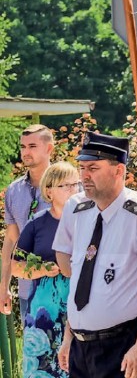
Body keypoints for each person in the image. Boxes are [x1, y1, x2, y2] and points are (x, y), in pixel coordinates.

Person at [53, 132, 137, 378]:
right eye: (82, 167)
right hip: (80, 348)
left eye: (93, 168)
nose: (84, 175)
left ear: (118, 171)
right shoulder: (77, 208)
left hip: (123, 346)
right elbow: (81, 282)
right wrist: (68, 337)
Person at [11, 162, 79, 377]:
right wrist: (41, 269)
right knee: (42, 368)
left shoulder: (88, 220)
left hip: (80, 300)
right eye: (64, 185)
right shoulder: (37, 223)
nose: (72, 190)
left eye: (75, 184)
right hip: (43, 309)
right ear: (49, 190)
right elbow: (16, 266)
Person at [1, 124, 54, 319]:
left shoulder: (69, 187)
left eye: (32, 146)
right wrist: (4, 287)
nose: (26, 152)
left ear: (49, 149)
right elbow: (11, 240)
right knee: (33, 349)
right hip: (27, 291)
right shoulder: (14, 190)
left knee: (68, 350)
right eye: (23, 147)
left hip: (63, 287)